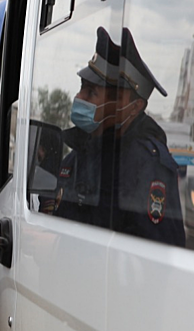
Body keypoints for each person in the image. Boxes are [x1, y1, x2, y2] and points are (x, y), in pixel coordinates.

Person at [54, 27, 186, 247]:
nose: (79, 97)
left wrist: (56, 246)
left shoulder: (146, 165)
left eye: (92, 92)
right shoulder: (79, 154)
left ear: (133, 107)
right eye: (82, 87)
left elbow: (151, 256)